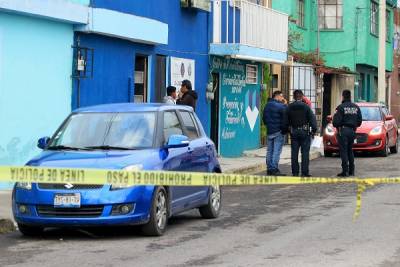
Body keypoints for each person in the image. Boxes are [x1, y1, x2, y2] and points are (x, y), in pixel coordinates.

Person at [284, 89, 317, 177]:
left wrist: (286, 131)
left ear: (294, 97)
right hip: (304, 132)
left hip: (294, 132)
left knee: (294, 153)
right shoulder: (306, 107)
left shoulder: (289, 107)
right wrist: (314, 131)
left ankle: (295, 172)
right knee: (305, 153)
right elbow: (312, 120)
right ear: (302, 96)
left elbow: (285, 121)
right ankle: (304, 172)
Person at [332, 90, 362, 177]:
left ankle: (345, 171)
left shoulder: (341, 107)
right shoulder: (356, 107)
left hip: (343, 131)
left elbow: (335, 122)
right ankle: (351, 171)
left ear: (343, 96)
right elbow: (359, 121)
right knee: (350, 150)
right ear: (350, 96)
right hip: (352, 131)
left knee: (343, 151)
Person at [263, 91, 287, 176]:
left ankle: (269, 169)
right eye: (282, 96)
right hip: (278, 131)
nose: (282, 98)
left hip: (270, 131)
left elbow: (264, 119)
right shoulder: (281, 106)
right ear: (277, 96)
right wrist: (285, 104)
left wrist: (269, 125)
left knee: (269, 150)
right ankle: (274, 169)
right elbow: (285, 117)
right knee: (276, 151)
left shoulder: (267, 105)